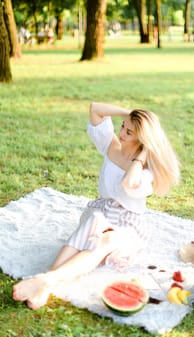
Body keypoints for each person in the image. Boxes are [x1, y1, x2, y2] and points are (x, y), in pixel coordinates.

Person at [12, 102, 180, 309]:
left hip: (129, 220)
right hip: (102, 209)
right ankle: (46, 284)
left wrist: (143, 154)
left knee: (108, 240)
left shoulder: (145, 170)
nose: (122, 133)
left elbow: (128, 183)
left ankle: (45, 281)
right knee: (94, 219)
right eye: (122, 127)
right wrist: (132, 115)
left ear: (143, 139)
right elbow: (95, 109)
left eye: (130, 132)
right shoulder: (112, 145)